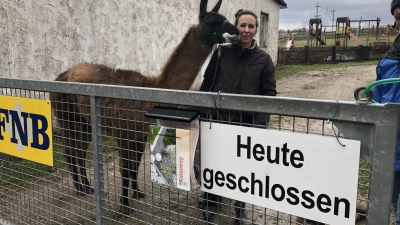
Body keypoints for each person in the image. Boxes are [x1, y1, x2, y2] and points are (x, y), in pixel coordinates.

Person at [199, 9, 277, 225]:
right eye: (242, 25)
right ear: (236, 27)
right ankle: (210, 201)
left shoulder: (263, 59)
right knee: (215, 163)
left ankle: (240, 209)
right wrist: (203, 112)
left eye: (251, 26)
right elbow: (207, 84)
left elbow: (269, 93)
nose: (246, 30)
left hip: (248, 123)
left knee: (244, 169)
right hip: (218, 120)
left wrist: (261, 124)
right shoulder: (222, 52)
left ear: (256, 30)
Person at [373, 1, 400, 225]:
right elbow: (378, 101)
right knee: (393, 201)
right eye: (399, 17)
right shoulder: (388, 62)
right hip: (395, 152)